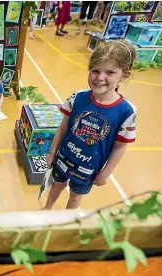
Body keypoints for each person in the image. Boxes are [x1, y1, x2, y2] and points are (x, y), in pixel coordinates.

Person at [43, 40, 137, 210]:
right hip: (63, 159)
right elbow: (63, 128)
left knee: (75, 198)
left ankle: (68, 223)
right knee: (56, 185)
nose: (100, 78)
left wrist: (105, 174)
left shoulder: (126, 111)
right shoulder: (77, 97)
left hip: (87, 170)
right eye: (95, 71)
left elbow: (120, 147)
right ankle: (47, 208)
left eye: (110, 72)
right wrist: (51, 153)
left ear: (124, 75)